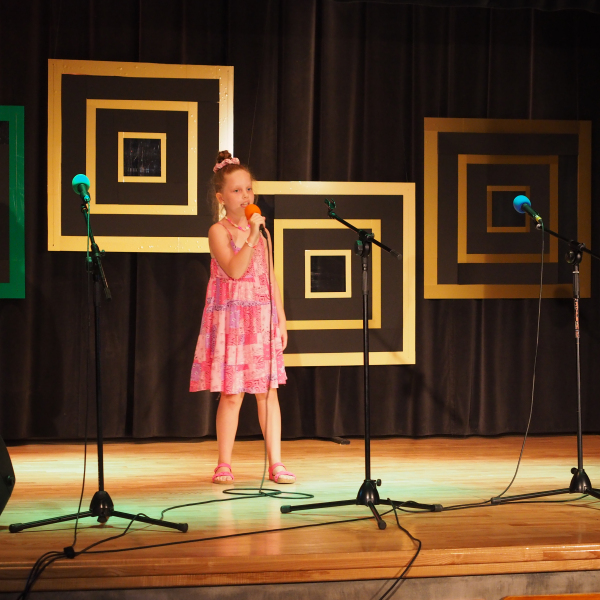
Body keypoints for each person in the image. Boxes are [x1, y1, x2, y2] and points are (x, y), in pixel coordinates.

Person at [190, 151, 294, 485]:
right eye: (237, 190)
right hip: (233, 321)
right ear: (221, 197)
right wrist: (250, 236)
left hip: (261, 319)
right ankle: (224, 463)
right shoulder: (218, 231)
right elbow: (235, 270)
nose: (245, 196)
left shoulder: (263, 235)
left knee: (268, 392)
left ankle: (276, 463)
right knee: (232, 394)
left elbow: (270, 277)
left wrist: (280, 319)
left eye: (248, 189)